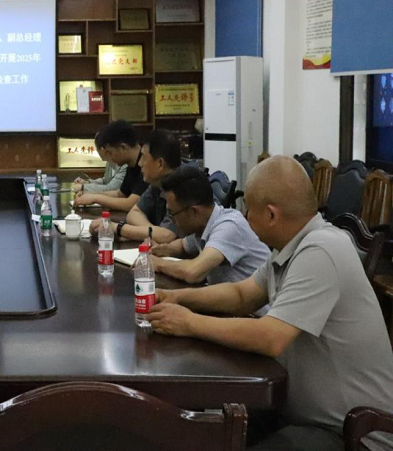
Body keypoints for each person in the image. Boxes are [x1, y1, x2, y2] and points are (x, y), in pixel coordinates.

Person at [148, 156, 393, 451]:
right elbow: (242, 296)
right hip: (297, 414)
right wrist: (176, 297)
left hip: (353, 435)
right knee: (207, 431)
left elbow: (270, 337)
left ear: (271, 215)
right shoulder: (288, 249)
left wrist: (188, 323)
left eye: (249, 209)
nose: (246, 216)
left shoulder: (321, 250)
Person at [149, 165, 270, 292]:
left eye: (172, 213)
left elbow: (193, 272)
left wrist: (157, 263)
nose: (172, 220)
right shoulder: (203, 225)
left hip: (259, 305)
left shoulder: (229, 227)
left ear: (194, 211)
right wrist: (162, 249)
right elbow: (182, 246)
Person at [90, 129, 182, 243]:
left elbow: (167, 236)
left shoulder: (183, 185)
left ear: (160, 164)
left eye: (143, 157)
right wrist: (152, 233)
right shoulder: (157, 182)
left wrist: (117, 228)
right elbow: (134, 213)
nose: (140, 163)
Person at [73, 120, 148, 213]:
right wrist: (88, 194)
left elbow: (130, 204)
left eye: (110, 152)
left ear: (123, 148)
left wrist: (95, 198)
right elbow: (120, 194)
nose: (109, 158)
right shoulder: (131, 164)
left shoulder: (146, 163)